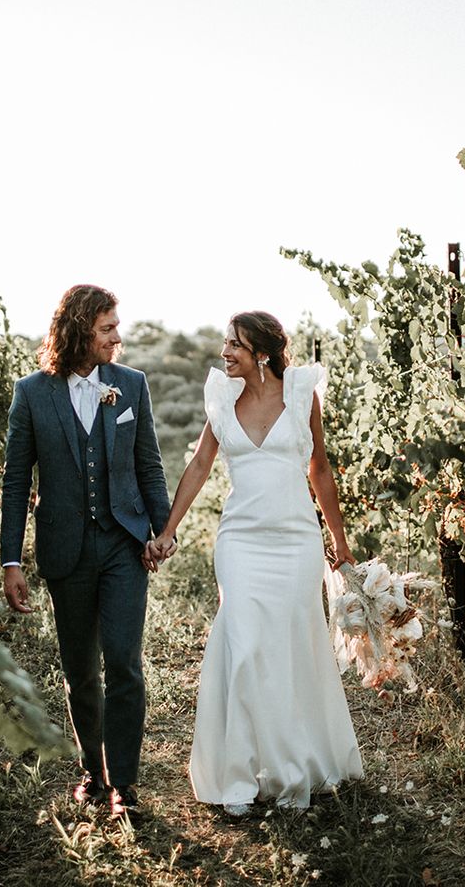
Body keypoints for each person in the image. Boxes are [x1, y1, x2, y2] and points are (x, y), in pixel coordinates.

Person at [149, 310, 363, 816]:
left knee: (289, 647)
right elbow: (200, 464)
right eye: (225, 343)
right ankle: (241, 776)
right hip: (241, 541)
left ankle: (292, 769)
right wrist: (168, 529)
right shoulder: (221, 398)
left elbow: (320, 468)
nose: (225, 352)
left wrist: (340, 540)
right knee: (243, 648)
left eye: (235, 345)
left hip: (295, 541)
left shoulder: (301, 393)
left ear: (261, 353)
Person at [0, 285, 173, 816]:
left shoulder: (131, 385)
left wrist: (161, 530)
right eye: (106, 329)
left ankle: (123, 785)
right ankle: (91, 774)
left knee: (123, 663)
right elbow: (14, 481)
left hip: (123, 544)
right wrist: (10, 560)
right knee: (80, 670)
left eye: (116, 327)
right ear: (78, 330)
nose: (117, 338)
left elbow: (149, 465)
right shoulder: (32, 393)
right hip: (65, 551)